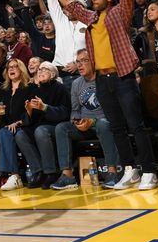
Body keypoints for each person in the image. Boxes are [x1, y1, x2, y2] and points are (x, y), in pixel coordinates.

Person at [41, 0, 158, 191]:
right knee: (116, 127)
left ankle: (150, 170)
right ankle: (130, 170)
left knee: (135, 125)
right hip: (102, 79)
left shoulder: (119, 12)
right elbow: (68, 5)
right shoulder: (91, 18)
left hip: (122, 76)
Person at [51, 50, 121, 190]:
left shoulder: (105, 80)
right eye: (78, 62)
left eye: (84, 60)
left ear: (94, 61)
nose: (80, 65)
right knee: (61, 128)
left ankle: (113, 172)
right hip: (85, 126)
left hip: (103, 123)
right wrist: (76, 122)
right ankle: (67, 176)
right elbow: (75, 110)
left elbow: (114, 109)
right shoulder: (76, 83)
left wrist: (93, 121)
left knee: (102, 124)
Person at [0, 59, 35, 191]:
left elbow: (33, 112)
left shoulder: (29, 88)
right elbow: (1, 120)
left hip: (24, 126)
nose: (11, 69)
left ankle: (14, 175)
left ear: (21, 69)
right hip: (7, 127)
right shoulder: (3, 90)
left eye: (15, 66)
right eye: (9, 67)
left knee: (5, 132)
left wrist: (18, 122)